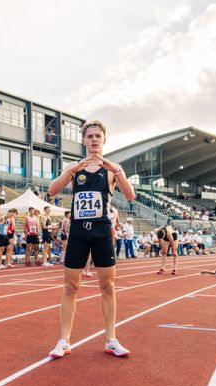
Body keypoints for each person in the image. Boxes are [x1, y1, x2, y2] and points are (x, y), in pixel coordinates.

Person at [47, 120, 135, 359]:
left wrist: (116, 171)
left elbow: (130, 195)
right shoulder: (74, 167)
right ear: (84, 140)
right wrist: (71, 171)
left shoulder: (113, 168)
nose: (94, 140)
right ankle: (64, 340)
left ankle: (111, 339)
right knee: (71, 287)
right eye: (89, 136)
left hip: (102, 232)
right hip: (78, 232)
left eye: (98, 136)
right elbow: (52, 191)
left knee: (108, 286)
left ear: (104, 139)